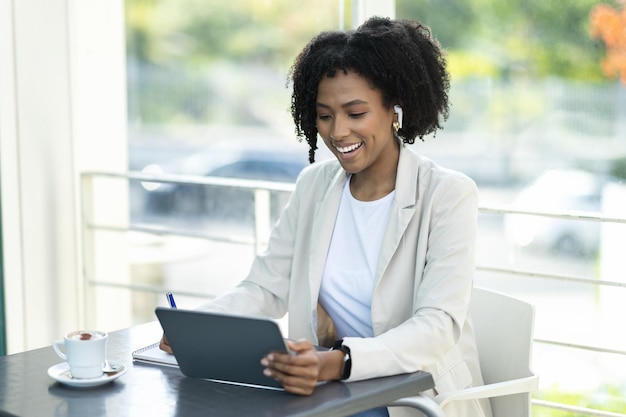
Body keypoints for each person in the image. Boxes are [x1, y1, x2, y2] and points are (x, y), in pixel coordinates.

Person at [161, 16, 493, 417]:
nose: (337, 132)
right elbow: (266, 288)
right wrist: (200, 326)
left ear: (395, 109)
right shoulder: (314, 185)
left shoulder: (447, 194)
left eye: (355, 113)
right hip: (328, 389)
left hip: (411, 396)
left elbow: (436, 326)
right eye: (325, 115)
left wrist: (337, 363)